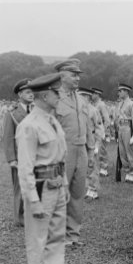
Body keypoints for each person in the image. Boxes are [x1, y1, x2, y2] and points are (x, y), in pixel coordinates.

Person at [16, 73, 70, 264]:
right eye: (57, 92)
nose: (60, 96)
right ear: (46, 95)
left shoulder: (52, 120)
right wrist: (33, 200)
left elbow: (61, 156)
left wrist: (65, 185)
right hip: (41, 185)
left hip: (57, 183)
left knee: (57, 234)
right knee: (37, 237)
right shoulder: (29, 125)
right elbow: (25, 167)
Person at [54, 58, 92, 246]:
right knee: (60, 193)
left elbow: (87, 126)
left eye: (78, 74)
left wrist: (90, 150)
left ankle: (73, 234)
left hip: (81, 150)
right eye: (73, 74)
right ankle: (57, 235)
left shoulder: (82, 99)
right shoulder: (53, 99)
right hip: (62, 152)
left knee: (77, 193)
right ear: (62, 76)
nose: (78, 78)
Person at [3, 78, 34, 226]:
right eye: (28, 92)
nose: (31, 94)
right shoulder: (12, 113)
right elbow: (8, 137)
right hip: (20, 156)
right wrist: (11, 159)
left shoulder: (36, 110)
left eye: (32, 91)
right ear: (20, 94)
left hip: (36, 156)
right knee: (21, 188)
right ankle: (20, 218)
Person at [77, 88, 104, 200]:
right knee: (83, 166)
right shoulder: (78, 110)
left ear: (87, 97)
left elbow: (99, 128)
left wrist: (97, 144)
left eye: (81, 96)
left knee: (93, 165)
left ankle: (93, 190)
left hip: (92, 139)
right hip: (81, 140)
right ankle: (87, 188)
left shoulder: (93, 110)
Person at [115, 83, 133, 183]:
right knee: (122, 152)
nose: (119, 93)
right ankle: (127, 170)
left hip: (128, 127)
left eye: (121, 91)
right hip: (121, 128)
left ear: (126, 91)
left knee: (130, 151)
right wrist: (116, 131)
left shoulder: (131, 104)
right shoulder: (120, 103)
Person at [90, 87, 111, 177]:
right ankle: (97, 167)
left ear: (97, 95)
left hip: (100, 130)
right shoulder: (93, 104)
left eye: (93, 93)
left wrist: (105, 133)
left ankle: (104, 168)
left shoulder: (101, 105)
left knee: (102, 150)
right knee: (95, 151)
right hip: (94, 131)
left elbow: (106, 120)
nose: (92, 95)